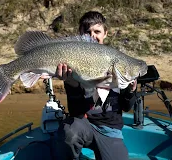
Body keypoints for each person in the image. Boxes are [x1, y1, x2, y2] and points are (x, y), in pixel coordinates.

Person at [55, 11, 138, 160]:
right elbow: (75, 110)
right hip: (83, 124)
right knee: (69, 132)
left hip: (111, 129)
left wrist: (131, 91)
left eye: (97, 31)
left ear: (105, 33)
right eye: (87, 32)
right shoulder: (72, 62)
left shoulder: (118, 62)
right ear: (80, 34)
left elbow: (127, 107)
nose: (92, 36)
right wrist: (71, 83)